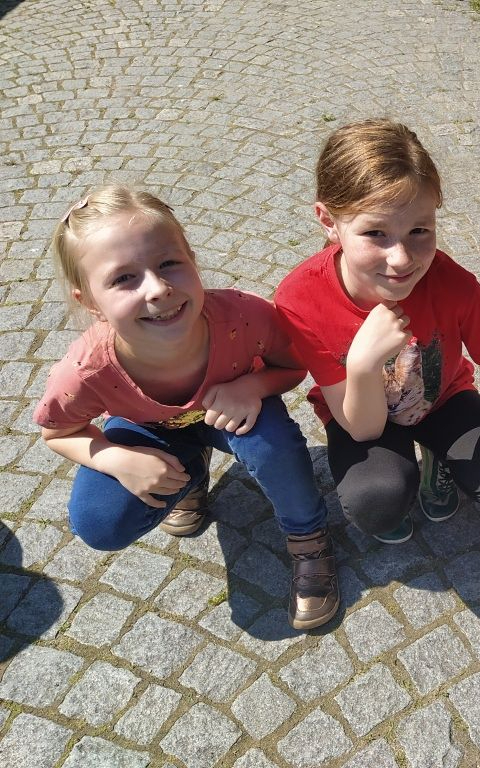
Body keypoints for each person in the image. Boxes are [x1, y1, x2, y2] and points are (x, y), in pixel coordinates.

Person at [274, 118, 480, 551]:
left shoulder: (453, 285)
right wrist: (363, 363)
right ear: (328, 221)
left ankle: (437, 457)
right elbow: (364, 429)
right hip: (363, 416)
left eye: (419, 230)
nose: (401, 259)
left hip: (441, 398)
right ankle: (400, 480)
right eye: (375, 233)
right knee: (377, 501)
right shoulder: (301, 299)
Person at [34, 185, 338, 631]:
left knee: (272, 442)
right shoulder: (86, 370)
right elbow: (58, 432)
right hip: (150, 430)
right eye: (123, 278)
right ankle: (188, 474)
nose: (158, 289)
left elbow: (294, 367)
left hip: (234, 411)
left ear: (192, 259)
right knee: (99, 521)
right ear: (91, 302)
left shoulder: (244, 316)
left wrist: (252, 385)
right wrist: (116, 459)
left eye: (168, 264)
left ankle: (308, 535)